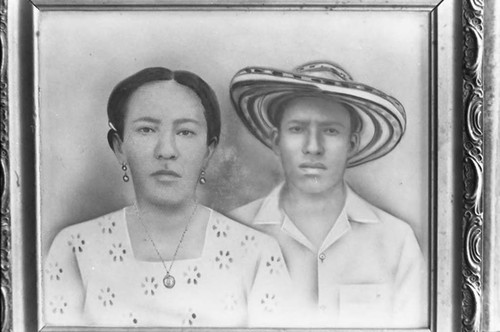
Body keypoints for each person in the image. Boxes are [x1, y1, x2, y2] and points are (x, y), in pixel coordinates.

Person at [43, 67, 291, 327]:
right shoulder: (75, 249)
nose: (166, 151)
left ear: (208, 151)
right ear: (119, 147)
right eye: (147, 130)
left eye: (185, 132)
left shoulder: (257, 253)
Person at [228, 62, 426, 328]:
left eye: (330, 131)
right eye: (297, 129)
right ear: (276, 141)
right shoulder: (233, 234)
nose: (313, 147)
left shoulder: (397, 241)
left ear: (351, 144)